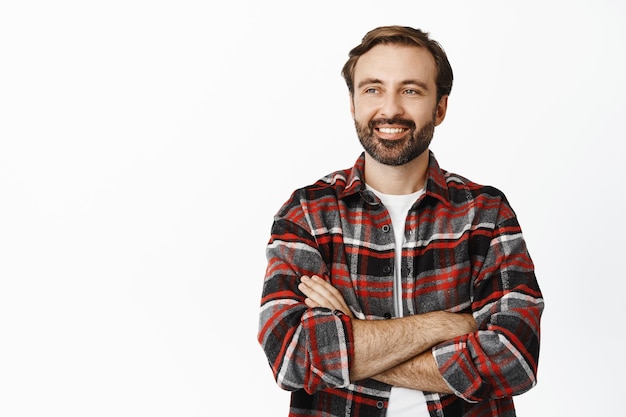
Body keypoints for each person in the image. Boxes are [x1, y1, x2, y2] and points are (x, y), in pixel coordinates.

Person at [257, 25, 543, 417]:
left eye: (411, 90)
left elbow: (515, 358)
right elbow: (292, 356)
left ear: (440, 107)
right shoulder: (307, 212)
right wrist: (443, 325)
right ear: (353, 102)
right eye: (373, 88)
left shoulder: (486, 212)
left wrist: (349, 336)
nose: (390, 109)